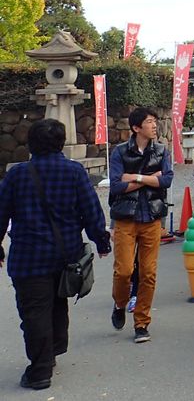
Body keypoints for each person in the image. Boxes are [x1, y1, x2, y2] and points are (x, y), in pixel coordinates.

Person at [0, 119, 112, 391]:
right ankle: (53, 349)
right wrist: (101, 241)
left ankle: (39, 370)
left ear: (31, 144)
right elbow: (91, 210)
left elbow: (1, 213)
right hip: (66, 255)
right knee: (58, 302)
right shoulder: (74, 172)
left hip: (29, 258)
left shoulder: (17, 175)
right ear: (61, 143)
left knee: (34, 311)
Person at [109, 107, 173, 343]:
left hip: (152, 217)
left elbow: (165, 180)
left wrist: (133, 177)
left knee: (148, 272)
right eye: (149, 122)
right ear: (136, 128)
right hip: (126, 218)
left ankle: (141, 322)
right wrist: (148, 180)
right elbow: (115, 185)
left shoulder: (161, 151)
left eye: (155, 121)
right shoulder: (119, 152)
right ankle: (119, 303)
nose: (154, 125)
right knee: (124, 270)